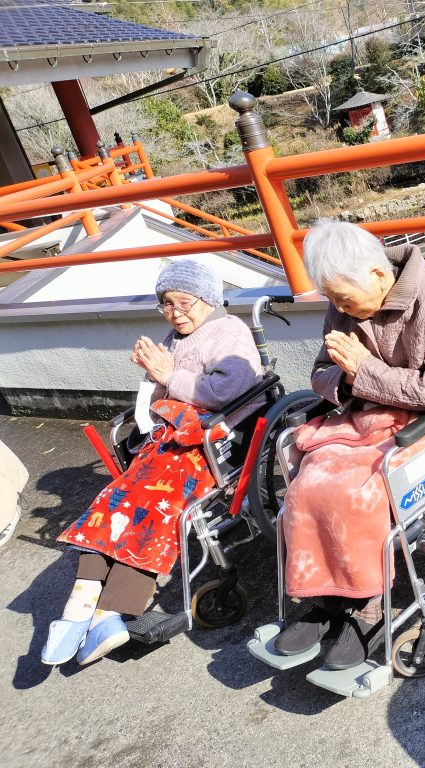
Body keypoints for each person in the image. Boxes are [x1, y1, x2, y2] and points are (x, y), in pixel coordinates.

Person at [273, 219, 425, 670]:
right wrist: (348, 378)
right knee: (307, 486)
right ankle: (324, 598)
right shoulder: (345, 304)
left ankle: (367, 606)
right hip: (366, 417)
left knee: (359, 494)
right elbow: (321, 373)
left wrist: (364, 371)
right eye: (331, 299)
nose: (337, 309)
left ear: (378, 274)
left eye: (342, 298)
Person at [42, 260, 263, 666]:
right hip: (166, 442)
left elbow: (228, 390)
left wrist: (169, 374)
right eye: (166, 304)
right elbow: (158, 403)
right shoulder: (174, 338)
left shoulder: (229, 331)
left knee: (151, 510)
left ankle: (109, 613)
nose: (175, 313)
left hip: (209, 444)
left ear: (208, 299)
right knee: (113, 499)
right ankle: (79, 607)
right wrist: (152, 376)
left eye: (184, 302)